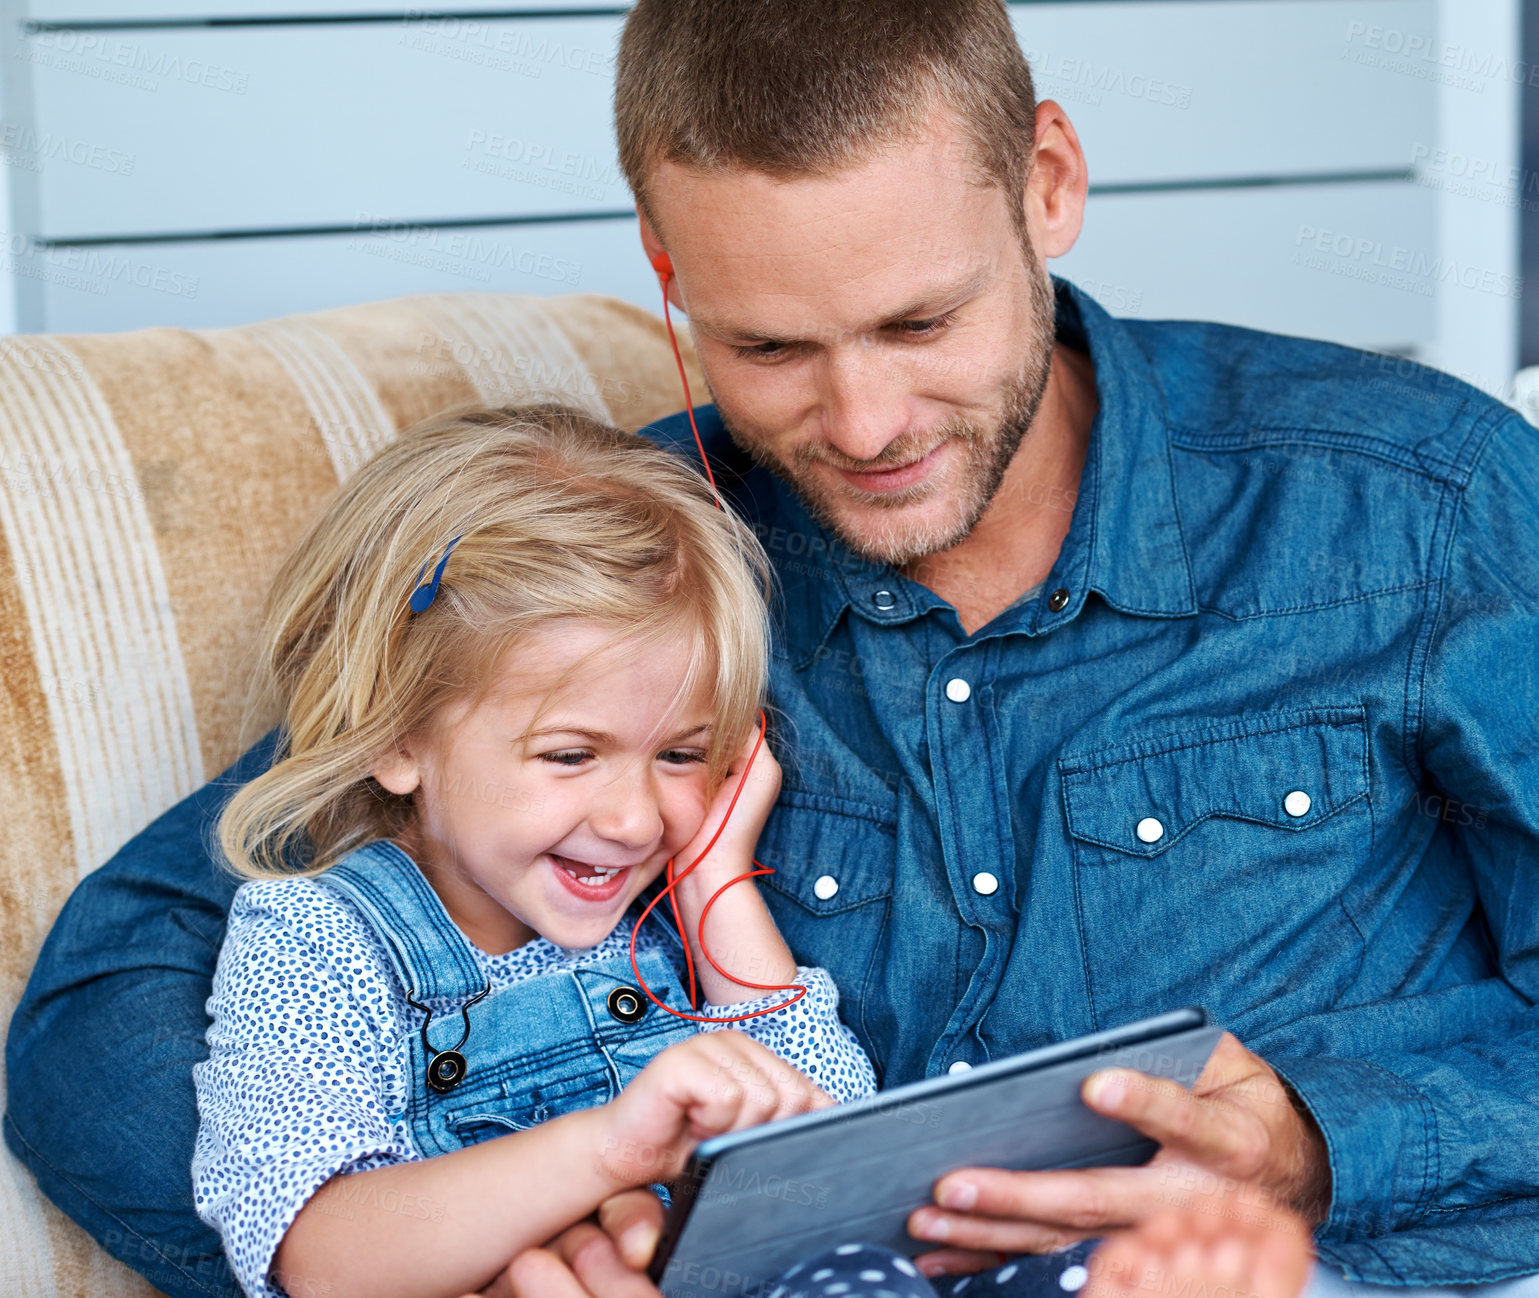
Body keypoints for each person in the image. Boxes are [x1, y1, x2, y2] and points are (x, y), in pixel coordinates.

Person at [7, 0, 1539, 1295]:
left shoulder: (1411, 509)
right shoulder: (629, 578)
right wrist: (476, 1244)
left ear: (1048, 184)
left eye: (920, 322)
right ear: (669, 274)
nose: (863, 428)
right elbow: (108, 999)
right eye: (768, 348)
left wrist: (1321, 1136)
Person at [190, 403, 879, 1298]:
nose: (635, 822)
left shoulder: (661, 925)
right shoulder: (314, 941)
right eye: (570, 755)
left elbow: (844, 1146)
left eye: (679, 754)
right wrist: (606, 1151)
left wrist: (715, 880)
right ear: (395, 738)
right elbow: (317, 1254)